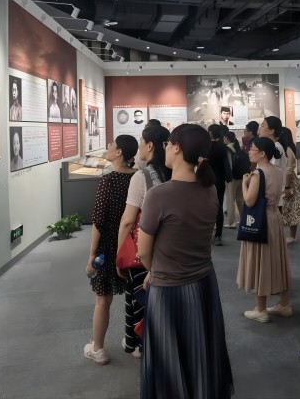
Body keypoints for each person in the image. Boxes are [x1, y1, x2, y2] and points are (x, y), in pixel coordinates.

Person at [137, 124, 234, 398]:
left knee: (168, 357)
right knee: (201, 350)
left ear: (177, 148)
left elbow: (143, 251)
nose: (166, 148)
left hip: (169, 290)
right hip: (204, 284)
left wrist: (154, 270)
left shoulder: (158, 195)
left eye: (168, 144)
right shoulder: (209, 189)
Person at [116, 126, 171, 359]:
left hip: (145, 248)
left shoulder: (142, 177)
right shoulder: (175, 173)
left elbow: (128, 220)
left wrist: (120, 253)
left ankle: (139, 342)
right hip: (171, 248)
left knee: (139, 294)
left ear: (149, 146)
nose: (139, 147)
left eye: (141, 142)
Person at [83, 136, 138, 365]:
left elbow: (98, 221)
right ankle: (137, 344)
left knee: (102, 300)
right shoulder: (138, 177)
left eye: (111, 145)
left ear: (119, 152)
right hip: (133, 244)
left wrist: (92, 254)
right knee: (136, 296)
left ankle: (98, 349)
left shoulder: (108, 180)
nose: (108, 148)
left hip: (108, 245)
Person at [237, 136, 292, 323]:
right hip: (274, 217)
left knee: (261, 262)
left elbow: (249, 201)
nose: (249, 152)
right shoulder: (276, 170)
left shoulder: (258, 174)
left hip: (261, 221)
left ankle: (260, 309)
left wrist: (244, 184)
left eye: (252, 149)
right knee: (278, 260)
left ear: (262, 153)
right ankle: (284, 303)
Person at [280, 127, 300, 243]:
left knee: (292, 208)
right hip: (286, 180)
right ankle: (289, 235)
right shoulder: (286, 148)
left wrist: (287, 187)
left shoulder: (287, 150)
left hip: (289, 181)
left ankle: (292, 236)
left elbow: (289, 170)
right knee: (288, 208)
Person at [208, 124, 230, 246]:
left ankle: (208, 234)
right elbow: (226, 165)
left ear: (210, 133)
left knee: (206, 208)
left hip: (206, 181)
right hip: (220, 181)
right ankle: (218, 236)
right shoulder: (223, 147)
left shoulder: (206, 147)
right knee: (219, 207)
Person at [223, 130, 246, 228]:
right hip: (241, 176)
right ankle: (244, 219)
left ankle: (231, 222)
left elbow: (228, 165)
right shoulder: (237, 147)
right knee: (240, 200)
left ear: (226, 138)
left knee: (230, 200)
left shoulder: (227, 149)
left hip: (232, 178)